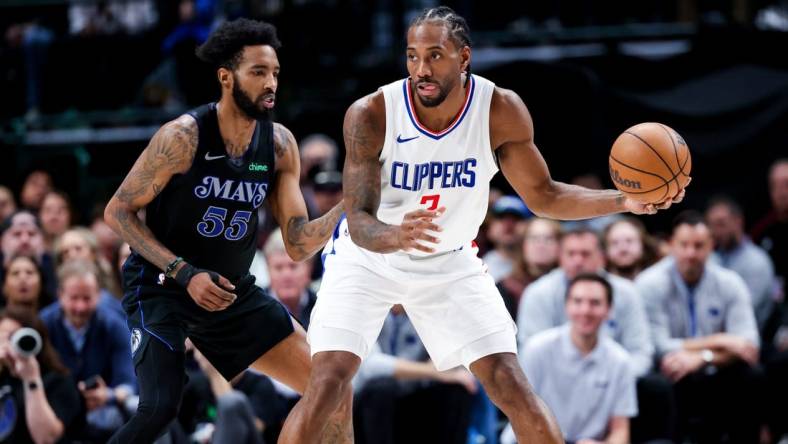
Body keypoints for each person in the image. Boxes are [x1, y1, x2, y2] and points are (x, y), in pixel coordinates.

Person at [282, 6, 685, 443]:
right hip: (369, 260)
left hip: (449, 261)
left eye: (435, 55)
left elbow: (544, 195)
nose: (422, 69)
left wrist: (624, 199)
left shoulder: (500, 111)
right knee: (327, 381)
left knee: (511, 383)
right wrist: (397, 234)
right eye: (412, 56)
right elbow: (357, 221)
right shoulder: (372, 113)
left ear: (464, 57)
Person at [102, 18, 349, 443]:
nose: (270, 82)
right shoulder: (183, 137)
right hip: (163, 286)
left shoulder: (279, 146)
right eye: (258, 72)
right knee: (161, 407)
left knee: (333, 391)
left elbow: (297, 245)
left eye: (274, 73)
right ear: (226, 77)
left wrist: (352, 204)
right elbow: (119, 212)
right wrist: (184, 272)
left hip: (232, 293)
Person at [636, 211, 761, 443]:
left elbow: (749, 343)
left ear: (711, 246)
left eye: (698, 245)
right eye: (684, 245)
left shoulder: (730, 282)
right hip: (671, 372)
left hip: (715, 370)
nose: (690, 253)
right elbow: (658, 346)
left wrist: (704, 357)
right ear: (671, 245)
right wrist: (721, 340)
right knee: (658, 382)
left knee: (751, 374)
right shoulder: (649, 283)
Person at [501, 273, 637, 444]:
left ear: (609, 310)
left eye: (595, 303)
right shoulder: (537, 349)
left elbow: (620, 431)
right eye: (578, 301)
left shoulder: (620, 361)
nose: (585, 310)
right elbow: (521, 415)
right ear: (567, 306)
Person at [40, 260, 136, 440]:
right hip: (55, 411)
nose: (80, 307)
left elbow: (128, 382)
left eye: (87, 298)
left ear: (99, 295)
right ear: (60, 295)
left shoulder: (113, 325)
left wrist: (108, 395)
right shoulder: (44, 325)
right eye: (74, 298)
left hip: (104, 412)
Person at [0, 305, 82, 443]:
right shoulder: (4, 376)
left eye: (14, 337)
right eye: (3, 337)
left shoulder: (58, 381)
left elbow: (46, 439)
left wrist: (31, 378)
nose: (8, 345)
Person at [705, 195, 777, 335]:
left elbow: (743, 312)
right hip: (713, 336)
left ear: (738, 221)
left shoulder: (757, 261)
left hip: (747, 339)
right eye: (711, 225)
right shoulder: (711, 258)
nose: (716, 232)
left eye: (721, 224)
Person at [603, 217, 660, 281]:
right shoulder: (598, 284)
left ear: (643, 244)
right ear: (605, 249)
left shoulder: (661, 279)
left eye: (629, 241)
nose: (623, 248)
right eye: (615, 243)